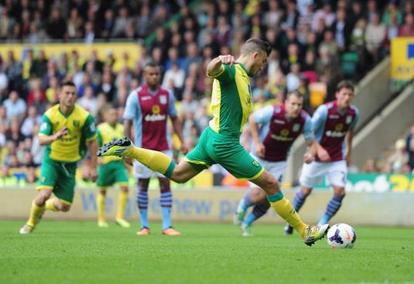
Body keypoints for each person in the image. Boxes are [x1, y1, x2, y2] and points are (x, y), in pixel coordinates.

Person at [98, 38, 329, 246]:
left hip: (211, 134)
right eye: (264, 61)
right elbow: (211, 70)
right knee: (271, 184)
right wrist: (219, 60)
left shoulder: (243, 77)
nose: (263, 66)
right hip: (224, 143)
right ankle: (304, 230)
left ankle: (131, 149)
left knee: (178, 174)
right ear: (256, 55)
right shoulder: (232, 71)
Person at [234, 91, 325, 236]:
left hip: (279, 162)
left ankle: (247, 222)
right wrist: (257, 143)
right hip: (259, 158)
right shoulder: (273, 111)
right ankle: (242, 206)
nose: (296, 107)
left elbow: (311, 141)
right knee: (259, 193)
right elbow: (252, 119)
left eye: (299, 105)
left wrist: (310, 153)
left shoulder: (305, 120)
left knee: (271, 199)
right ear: (286, 103)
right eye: (293, 104)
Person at [19, 81, 98, 234]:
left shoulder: (85, 117)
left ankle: (42, 208)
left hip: (70, 164)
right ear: (59, 95)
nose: (70, 96)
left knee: (64, 207)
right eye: (67, 93)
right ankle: (30, 224)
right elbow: (41, 140)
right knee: (44, 194)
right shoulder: (50, 115)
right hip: (52, 161)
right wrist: (55, 136)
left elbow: (92, 142)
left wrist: (93, 167)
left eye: (73, 93)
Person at [285, 80, 359, 235]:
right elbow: (309, 131)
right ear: (337, 94)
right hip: (316, 158)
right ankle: (291, 222)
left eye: (350, 95)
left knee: (340, 191)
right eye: (344, 94)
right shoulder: (324, 111)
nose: (346, 97)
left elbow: (350, 133)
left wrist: (349, 153)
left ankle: (322, 224)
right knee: (305, 191)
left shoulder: (354, 113)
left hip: (337, 158)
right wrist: (318, 150)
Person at [123, 62, 184, 236]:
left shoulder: (167, 95)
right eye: (151, 74)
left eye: (157, 74)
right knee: (142, 185)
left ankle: (167, 226)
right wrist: (126, 148)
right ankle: (144, 226)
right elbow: (127, 122)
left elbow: (175, 118)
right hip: (142, 150)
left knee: (166, 184)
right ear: (144, 75)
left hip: (164, 149)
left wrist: (182, 141)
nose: (154, 77)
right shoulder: (136, 96)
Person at [95, 105, 130, 228]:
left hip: (119, 164)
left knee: (125, 187)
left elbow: (125, 146)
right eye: (111, 114)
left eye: (116, 114)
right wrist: (97, 158)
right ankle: (101, 219)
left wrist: (128, 160)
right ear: (105, 116)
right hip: (105, 164)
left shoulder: (121, 128)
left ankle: (119, 217)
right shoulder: (100, 129)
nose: (114, 116)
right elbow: (95, 144)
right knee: (102, 190)